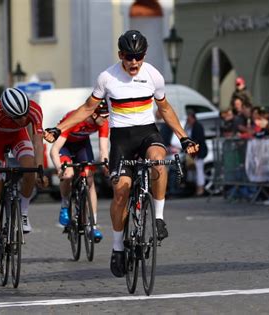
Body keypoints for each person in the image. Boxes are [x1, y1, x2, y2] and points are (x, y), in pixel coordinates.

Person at [44, 30, 199, 278]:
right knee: (121, 192)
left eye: (138, 56)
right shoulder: (107, 78)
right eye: (129, 57)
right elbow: (87, 108)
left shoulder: (153, 76)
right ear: (121, 55)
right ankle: (118, 247)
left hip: (148, 132)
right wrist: (58, 128)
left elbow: (165, 108)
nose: (134, 62)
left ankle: (158, 218)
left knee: (159, 162)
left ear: (144, 55)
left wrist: (184, 137)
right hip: (122, 139)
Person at [0, 87, 47, 273]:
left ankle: (24, 212)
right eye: (16, 117)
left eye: (23, 116)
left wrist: (40, 169)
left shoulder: (34, 109)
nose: (21, 120)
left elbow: (37, 143)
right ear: (6, 112)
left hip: (19, 138)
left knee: (30, 168)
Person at [49, 101, 110, 242]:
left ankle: (93, 226)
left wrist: (106, 165)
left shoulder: (103, 122)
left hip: (82, 145)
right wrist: (59, 168)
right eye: (104, 116)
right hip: (65, 145)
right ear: (94, 114)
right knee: (68, 174)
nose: (106, 119)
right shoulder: (75, 119)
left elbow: (103, 149)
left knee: (89, 180)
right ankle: (65, 205)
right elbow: (54, 150)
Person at [185, 111, 207, 196]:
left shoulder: (197, 126)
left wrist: (192, 149)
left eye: (189, 118)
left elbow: (198, 140)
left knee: (199, 170)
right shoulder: (190, 127)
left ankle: (200, 189)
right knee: (194, 171)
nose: (188, 120)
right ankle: (197, 188)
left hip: (198, 152)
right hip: (193, 151)